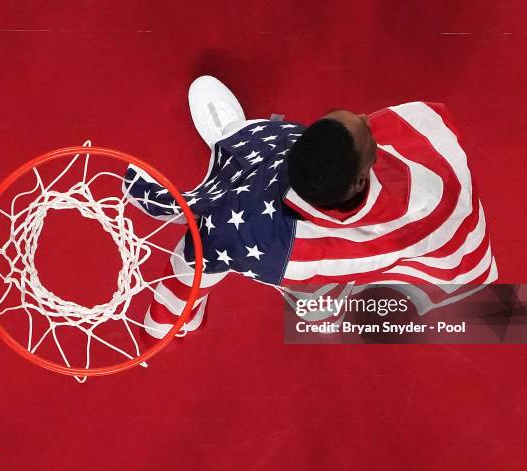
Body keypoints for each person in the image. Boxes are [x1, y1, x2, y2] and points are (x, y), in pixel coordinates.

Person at [126, 76, 497, 339]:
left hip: (278, 240)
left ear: (359, 182)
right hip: (291, 193)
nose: (369, 119)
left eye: (363, 127)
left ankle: (173, 319)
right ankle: (236, 138)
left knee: (201, 247)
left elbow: (203, 239)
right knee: (274, 147)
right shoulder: (364, 171)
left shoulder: (258, 234)